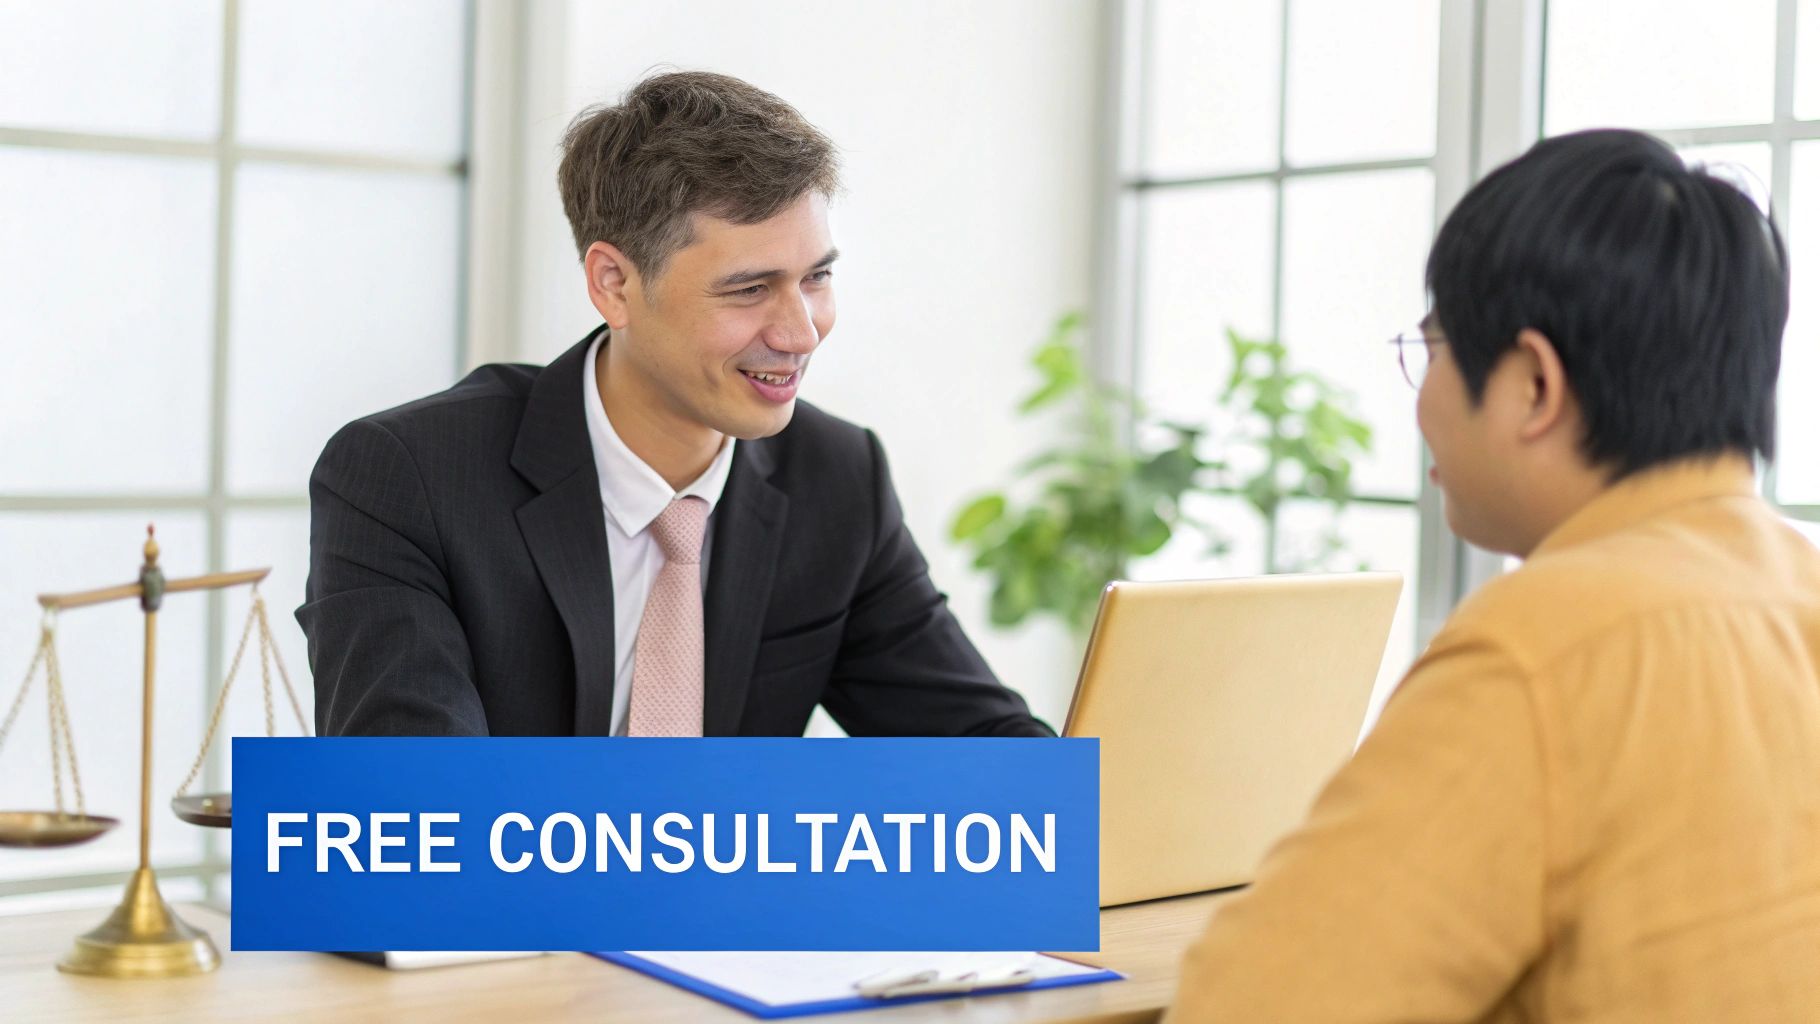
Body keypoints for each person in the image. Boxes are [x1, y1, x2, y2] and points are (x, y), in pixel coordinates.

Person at [1169, 129, 1819, 1022]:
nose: (1421, 399)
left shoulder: (1539, 652)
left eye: (1433, 346)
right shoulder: (1799, 591)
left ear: (1534, 386)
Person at [298, 71, 1049, 739]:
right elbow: (412, 798)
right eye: (749, 288)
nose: (801, 332)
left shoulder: (838, 478)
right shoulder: (410, 478)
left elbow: (985, 745)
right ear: (614, 285)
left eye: (816, 278)